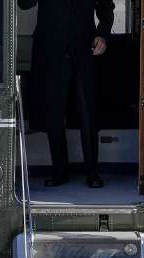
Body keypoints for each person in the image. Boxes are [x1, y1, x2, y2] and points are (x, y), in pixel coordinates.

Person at [18, 0, 113, 188]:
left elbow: (106, 8)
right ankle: (59, 171)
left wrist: (102, 36)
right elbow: (24, 4)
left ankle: (92, 172)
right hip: (50, 50)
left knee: (88, 112)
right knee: (54, 111)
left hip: (85, 49)